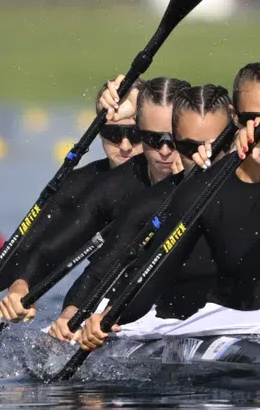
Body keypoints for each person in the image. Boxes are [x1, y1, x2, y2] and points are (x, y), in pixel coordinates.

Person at [76, 62, 260, 351]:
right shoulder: (202, 189)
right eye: (251, 119)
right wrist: (110, 317)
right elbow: (157, 272)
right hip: (220, 325)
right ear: (233, 116)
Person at [0, 76, 191, 322]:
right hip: (127, 305)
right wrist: (23, 290)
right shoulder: (111, 186)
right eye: (151, 138)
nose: (163, 150)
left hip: (204, 307)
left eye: (172, 140)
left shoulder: (217, 168)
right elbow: (54, 251)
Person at [46, 84, 232, 341]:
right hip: (154, 314)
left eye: (208, 146)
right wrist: (71, 315)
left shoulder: (256, 180)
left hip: (228, 314)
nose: (166, 151)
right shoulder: (143, 201)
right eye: (155, 141)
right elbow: (100, 269)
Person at [0, 76, 145, 315]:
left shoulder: (175, 165)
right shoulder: (83, 183)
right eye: (114, 134)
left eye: (135, 133)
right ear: (98, 132)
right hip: (109, 299)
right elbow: (32, 245)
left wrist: (140, 99)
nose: (125, 145)